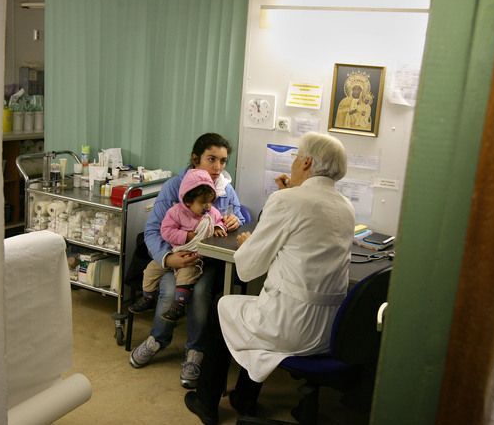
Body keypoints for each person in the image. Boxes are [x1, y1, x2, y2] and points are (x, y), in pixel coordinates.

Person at [183, 132, 355, 424]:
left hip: (290, 326)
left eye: (296, 158)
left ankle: (206, 402)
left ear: (307, 162)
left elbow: (247, 268)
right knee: (254, 311)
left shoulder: (287, 201)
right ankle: (243, 398)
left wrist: (249, 242)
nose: (292, 164)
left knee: (222, 308)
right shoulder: (346, 207)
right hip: (328, 331)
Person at [130, 133, 246, 390]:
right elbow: (152, 230)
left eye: (223, 161)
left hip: (204, 261)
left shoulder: (225, 188)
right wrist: (168, 258)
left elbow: (237, 214)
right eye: (211, 159)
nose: (217, 168)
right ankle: (157, 339)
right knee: (169, 289)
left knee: (202, 291)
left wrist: (235, 220)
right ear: (196, 159)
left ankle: (195, 352)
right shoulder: (175, 187)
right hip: (175, 256)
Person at [128, 168, 228, 322]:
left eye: (210, 201)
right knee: (150, 271)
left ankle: (179, 305)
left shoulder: (210, 213)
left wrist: (218, 227)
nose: (208, 206)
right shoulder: (175, 212)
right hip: (172, 252)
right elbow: (166, 231)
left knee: (186, 276)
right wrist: (186, 236)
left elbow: (220, 220)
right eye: (203, 203)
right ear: (188, 201)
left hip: (193, 257)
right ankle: (147, 298)